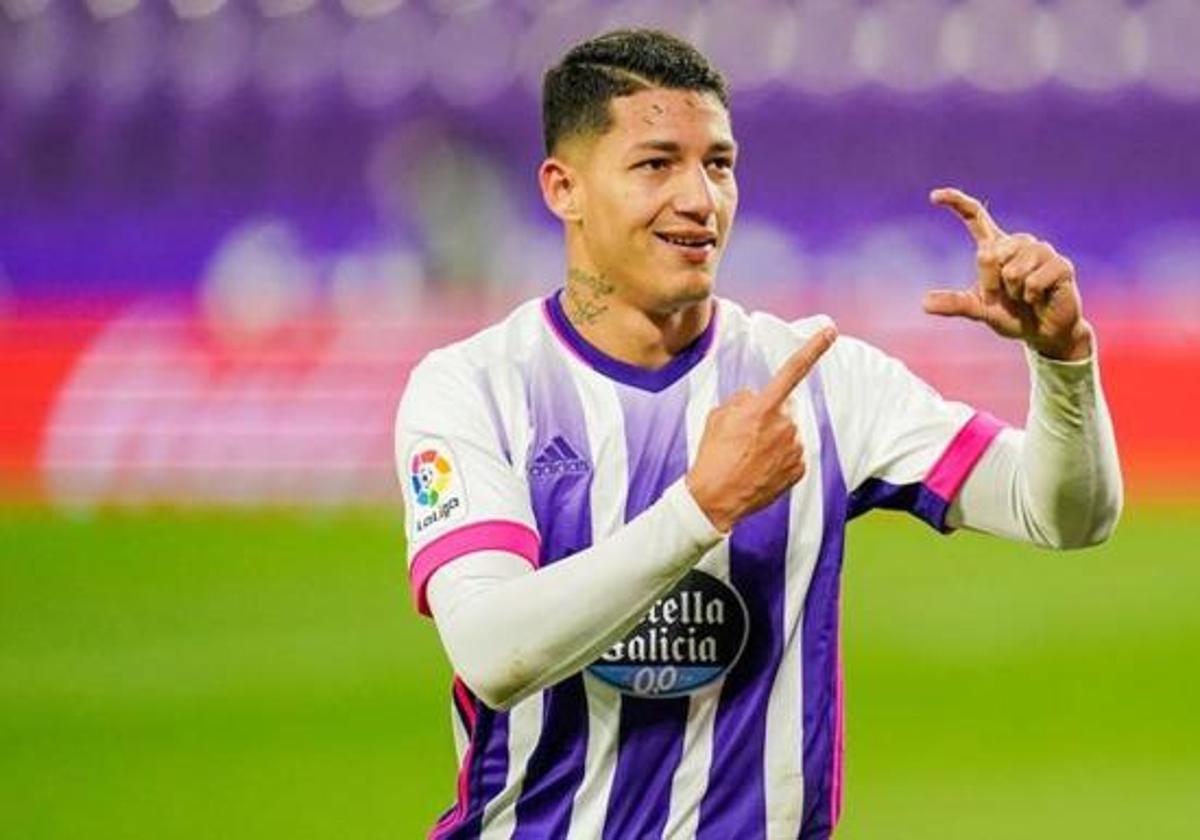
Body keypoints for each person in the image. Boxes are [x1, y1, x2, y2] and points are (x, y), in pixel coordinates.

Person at [395, 28, 1121, 840]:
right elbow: (493, 655)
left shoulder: (820, 376)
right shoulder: (475, 387)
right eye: (655, 163)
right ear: (564, 188)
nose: (700, 199)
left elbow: (1065, 515)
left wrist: (1063, 363)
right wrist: (700, 510)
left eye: (719, 164)